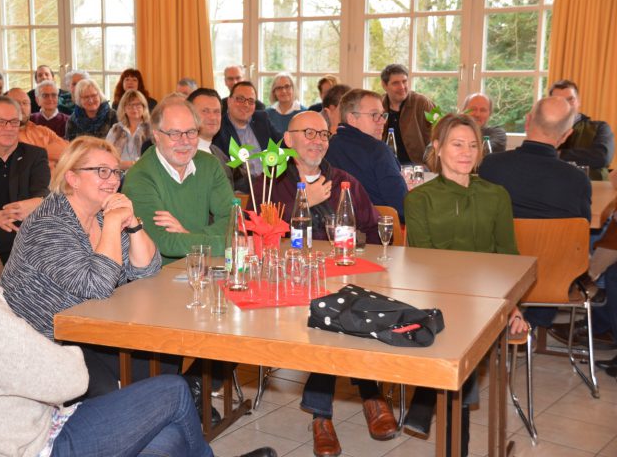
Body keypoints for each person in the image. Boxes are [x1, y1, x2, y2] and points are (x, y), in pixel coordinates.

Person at [0, 146, 221, 457]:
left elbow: (144, 269)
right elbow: (67, 380)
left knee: (171, 436)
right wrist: (67, 355)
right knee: (172, 393)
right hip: (29, 444)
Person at [0, 135, 183, 398]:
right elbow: (96, 285)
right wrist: (112, 223)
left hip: (89, 328)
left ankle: (148, 421)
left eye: (116, 172)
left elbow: (147, 270)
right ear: (72, 178)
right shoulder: (49, 224)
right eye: (102, 171)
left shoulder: (99, 213)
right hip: (43, 340)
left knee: (165, 353)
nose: (113, 180)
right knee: (104, 386)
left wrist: (132, 223)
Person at [249, 111, 385, 456]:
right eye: (308, 133)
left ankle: (322, 413)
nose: (318, 140)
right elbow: (258, 237)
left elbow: (373, 232)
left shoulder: (346, 182)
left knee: (341, 307)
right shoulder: (268, 183)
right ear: (288, 139)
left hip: (344, 279)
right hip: (289, 285)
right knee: (331, 312)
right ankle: (371, 396)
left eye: (323, 134)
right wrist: (304, 203)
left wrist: (354, 243)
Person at [404, 113, 525, 456]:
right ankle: (455, 441)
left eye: (473, 145)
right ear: (438, 149)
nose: (466, 152)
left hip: (485, 300)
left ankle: (426, 401)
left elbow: (509, 256)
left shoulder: (496, 195)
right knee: (460, 338)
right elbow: (423, 264)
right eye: (457, 144)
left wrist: (513, 305)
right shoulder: (419, 199)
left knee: (463, 337)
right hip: (436, 299)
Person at [479, 96, 591, 332]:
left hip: (499, 277)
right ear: (566, 135)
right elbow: (581, 233)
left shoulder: (491, 165)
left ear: (528, 121)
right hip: (555, 281)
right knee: (559, 249)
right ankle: (536, 323)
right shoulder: (577, 179)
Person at [122, 99, 233, 264]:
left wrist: (186, 233)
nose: (185, 141)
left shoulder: (209, 164)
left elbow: (233, 220)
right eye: (174, 134)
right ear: (157, 135)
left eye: (191, 132)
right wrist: (226, 243)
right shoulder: (140, 177)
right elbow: (164, 242)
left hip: (203, 268)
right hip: (157, 278)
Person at [0, 96, 50, 263]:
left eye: (13, 122)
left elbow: (42, 190)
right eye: (0, 121)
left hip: (22, 234)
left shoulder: (35, 156)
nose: (9, 128)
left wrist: (39, 201)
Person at [326, 89, 407, 222]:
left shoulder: (326, 147)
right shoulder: (378, 151)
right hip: (379, 234)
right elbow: (402, 208)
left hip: (335, 231)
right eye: (374, 115)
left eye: (382, 115)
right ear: (352, 119)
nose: (382, 121)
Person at [213, 81, 281, 191]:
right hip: (242, 189)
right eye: (240, 99)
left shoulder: (262, 119)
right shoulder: (219, 128)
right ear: (229, 101)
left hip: (271, 182)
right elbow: (228, 171)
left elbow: (282, 144)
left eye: (251, 101)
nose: (246, 105)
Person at [550, 79, 615, 180]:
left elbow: (602, 157)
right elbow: (535, 157)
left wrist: (559, 153)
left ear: (578, 101)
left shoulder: (600, 127)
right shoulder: (544, 128)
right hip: (552, 188)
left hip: (594, 189)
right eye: (559, 100)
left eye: (570, 99)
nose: (566, 104)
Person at [380, 64, 434, 165]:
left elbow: (443, 127)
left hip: (418, 164)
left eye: (404, 81)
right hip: (386, 164)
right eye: (395, 83)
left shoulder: (422, 102)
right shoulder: (379, 105)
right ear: (384, 85)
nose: (402, 87)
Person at [7, 87, 69, 172]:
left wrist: (37, 154)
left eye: (25, 103)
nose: (21, 107)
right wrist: (51, 155)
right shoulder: (2, 134)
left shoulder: (43, 131)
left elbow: (68, 151)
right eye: (16, 103)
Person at [187, 87, 236, 187]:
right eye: (205, 111)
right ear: (189, 114)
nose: (212, 117)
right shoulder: (181, 153)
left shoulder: (219, 154)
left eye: (217, 111)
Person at [105, 89, 151, 169]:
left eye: (138, 105)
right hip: (118, 174)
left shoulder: (152, 130)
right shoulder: (115, 129)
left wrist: (133, 165)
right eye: (130, 105)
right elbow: (106, 155)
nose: (134, 108)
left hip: (144, 174)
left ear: (144, 107)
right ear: (124, 109)